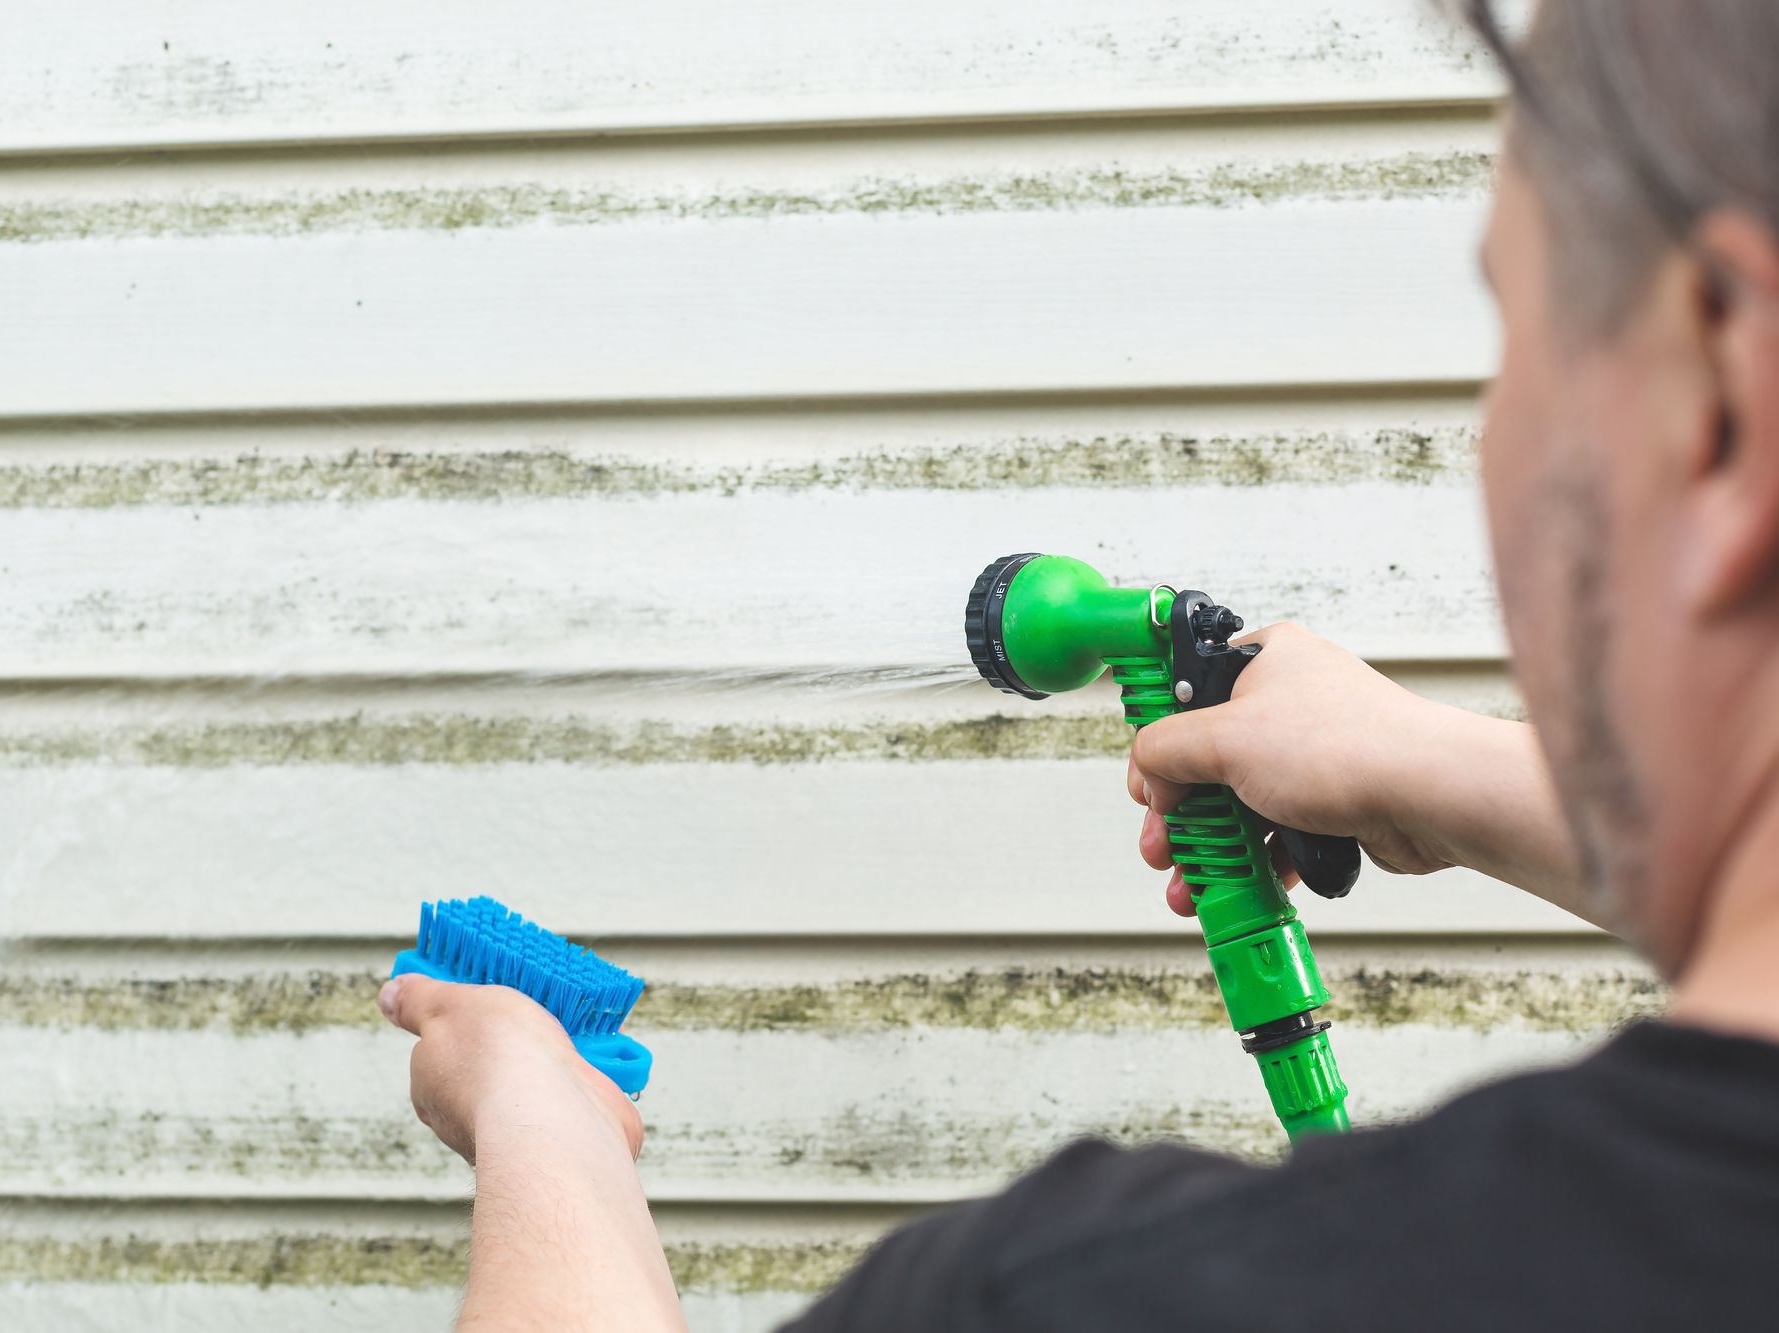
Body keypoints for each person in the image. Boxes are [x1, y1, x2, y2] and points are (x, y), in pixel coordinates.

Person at [370, 2, 1779, 1326]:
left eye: (1516, 339)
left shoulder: (1090, 1292)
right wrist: (1473, 776)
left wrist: (547, 1125)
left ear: (1720, 404)